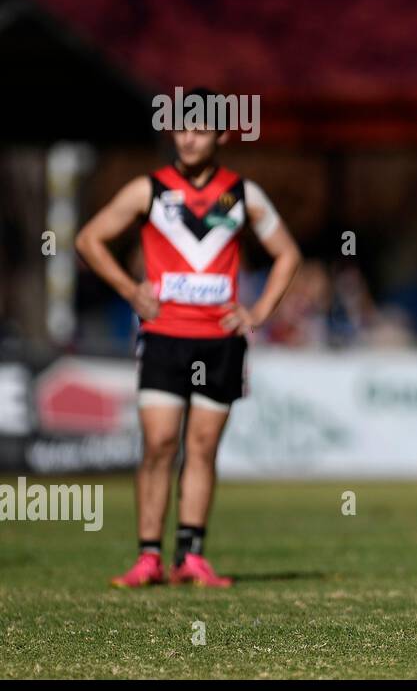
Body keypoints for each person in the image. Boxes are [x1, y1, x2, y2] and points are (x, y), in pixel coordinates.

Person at [75, 93, 301, 587]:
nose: (189, 137)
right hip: (163, 338)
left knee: (201, 448)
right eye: (181, 128)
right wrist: (130, 290)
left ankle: (191, 556)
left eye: (200, 128)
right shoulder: (149, 191)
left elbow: (287, 254)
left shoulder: (242, 194)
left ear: (222, 135)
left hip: (220, 341)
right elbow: (88, 239)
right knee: (158, 445)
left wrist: (259, 312)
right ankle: (148, 556)